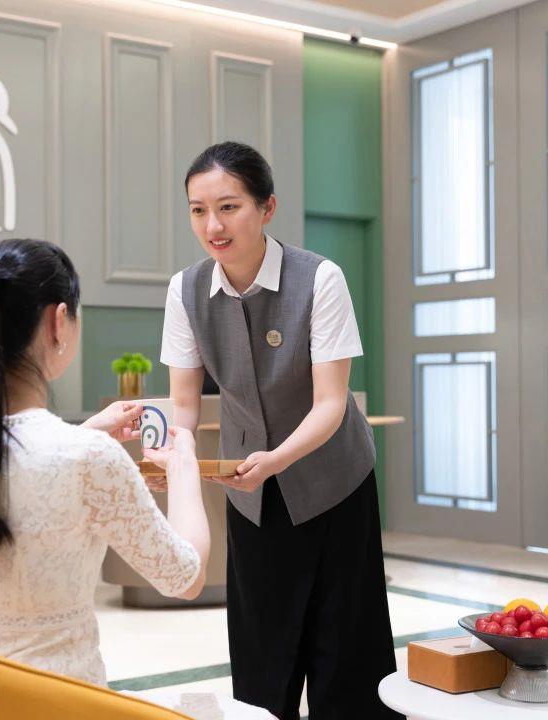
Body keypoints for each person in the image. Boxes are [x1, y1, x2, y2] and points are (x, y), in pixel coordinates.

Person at [158, 142, 402, 720]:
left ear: (267, 207)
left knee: (346, 652)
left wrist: (276, 459)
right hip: (251, 493)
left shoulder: (320, 278)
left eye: (228, 207)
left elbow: (331, 403)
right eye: (198, 210)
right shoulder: (185, 291)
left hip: (335, 483)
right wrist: (173, 458)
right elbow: (183, 404)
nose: (213, 226)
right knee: (262, 656)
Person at [0, 239, 212, 687]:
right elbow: (185, 577)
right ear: (58, 321)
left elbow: (16, 466)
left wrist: (85, 433)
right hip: (60, 698)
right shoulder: (87, 458)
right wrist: (184, 471)